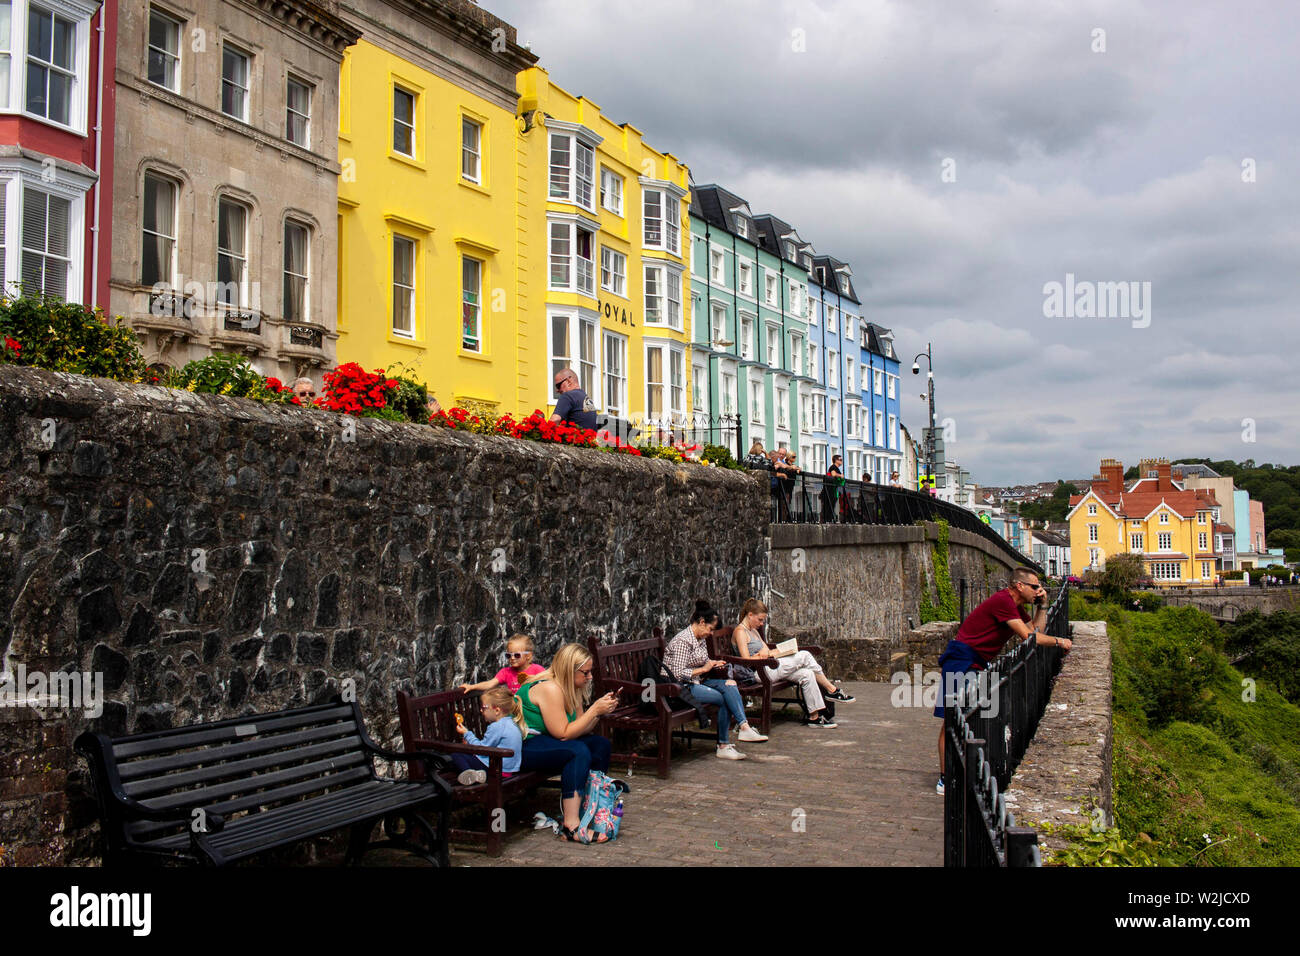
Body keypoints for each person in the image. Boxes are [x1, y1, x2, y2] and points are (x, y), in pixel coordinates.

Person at [933, 568, 1072, 795]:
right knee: (953, 719)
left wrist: (1043, 606)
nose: (1038, 590)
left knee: (970, 717)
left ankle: (963, 770)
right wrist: (1060, 641)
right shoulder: (1003, 601)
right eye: (1035, 587)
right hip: (961, 661)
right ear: (1020, 586)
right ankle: (945, 779)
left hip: (976, 661)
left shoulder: (1014, 606)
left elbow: (1035, 630)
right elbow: (1029, 637)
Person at [517, 643, 616, 842]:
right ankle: (570, 826)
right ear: (569, 670)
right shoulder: (550, 688)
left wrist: (599, 713)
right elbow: (563, 734)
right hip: (525, 746)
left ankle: (591, 808)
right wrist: (594, 710)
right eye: (585, 673)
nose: (589, 677)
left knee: (600, 745)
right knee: (577, 751)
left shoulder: (572, 686)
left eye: (590, 672)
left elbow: (580, 727)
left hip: (547, 741)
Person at [664, 600, 768, 759]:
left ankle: (743, 727)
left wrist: (711, 664)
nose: (711, 634)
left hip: (697, 681)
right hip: (679, 687)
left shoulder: (699, 638)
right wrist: (704, 669)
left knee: (730, 684)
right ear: (701, 622)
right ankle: (724, 744)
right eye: (710, 629)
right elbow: (676, 674)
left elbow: (702, 662)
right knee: (722, 698)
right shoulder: (683, 641)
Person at [731, 598, 851, 727]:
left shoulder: (753, 631)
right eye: (760, 619)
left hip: (769, 666)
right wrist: (762, 656)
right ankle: (831, 690)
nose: (761, 623)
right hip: (759, 673)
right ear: (750, 615)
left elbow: (767, 651)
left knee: (807, 674)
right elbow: (745, 660)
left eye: (763, 620)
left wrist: (778, 652)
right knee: (805, 655)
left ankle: (814, 717)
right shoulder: (740, 632)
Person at [451, 685, 525, 786]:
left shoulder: (497, 726)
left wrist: (466, 733)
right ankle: (479, 774)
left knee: (456, 754)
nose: (481, 710)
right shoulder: (513, 722)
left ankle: (471, 774)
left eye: (484, 707)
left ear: (497, 710)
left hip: (497, 768)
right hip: (510, 769)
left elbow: (482, 748)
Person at [459, 634, 545, 695]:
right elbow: (490, 684)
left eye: (517, 655)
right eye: (509, 655)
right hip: (515, 710)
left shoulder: (537, 670)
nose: (512, 658)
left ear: (528, 656)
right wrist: (472, 687)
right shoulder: (506, 672)